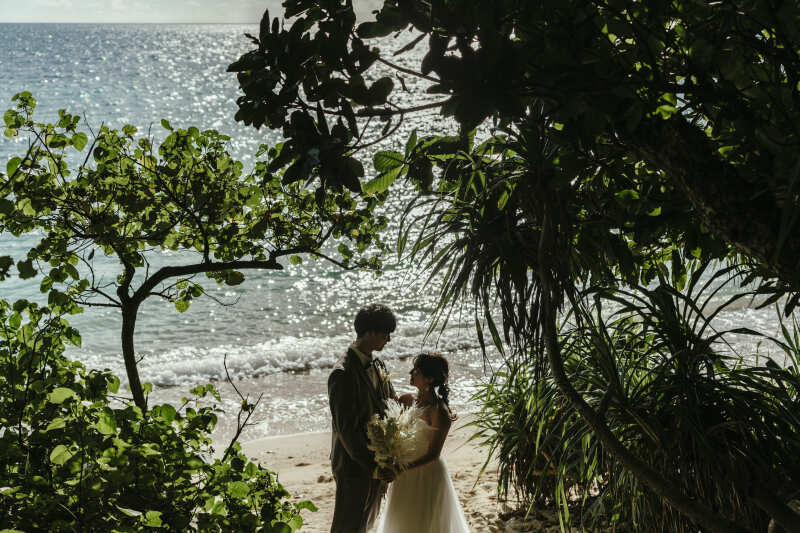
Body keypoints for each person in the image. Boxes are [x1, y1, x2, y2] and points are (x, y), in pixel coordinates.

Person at [376, 352, 470, 533]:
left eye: (416, 371)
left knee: (424, 523)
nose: (411, 373)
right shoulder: (406, 400)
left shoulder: (439, 412)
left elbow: (433, 455)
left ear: (429, 378)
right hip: (403, 471)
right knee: (402, 520)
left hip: (425, 473)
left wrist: (398, 468)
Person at [329, 303, 398, 533]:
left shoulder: (378, 363)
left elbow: (389, 403)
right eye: (385, 334)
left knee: (366, 523)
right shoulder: (342, 373)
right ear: (369, 332)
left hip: (378, 461)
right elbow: (346, 430)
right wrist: (374, 467)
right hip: (354, 464)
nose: (388, 340)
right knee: (347, 526)